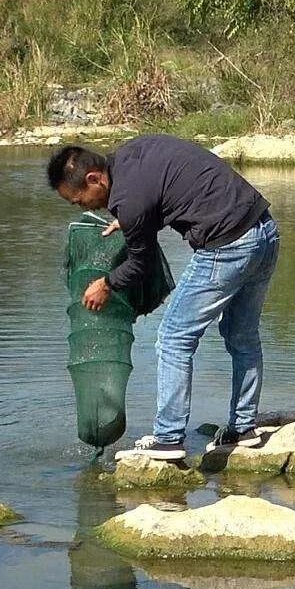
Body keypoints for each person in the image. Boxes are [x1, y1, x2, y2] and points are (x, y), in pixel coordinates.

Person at [46, 135, 280, 460]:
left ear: (94, 178)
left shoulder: (129, 198)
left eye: (79, 199)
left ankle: (168, 438)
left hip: (227, 245)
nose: (82, 206)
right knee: (242, 336)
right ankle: (243, 429)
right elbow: (161, 190)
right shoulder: (128, 156)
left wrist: (107, 283)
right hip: (265, 232)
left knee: (173, 338)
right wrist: (129, 221)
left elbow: (139, 265)